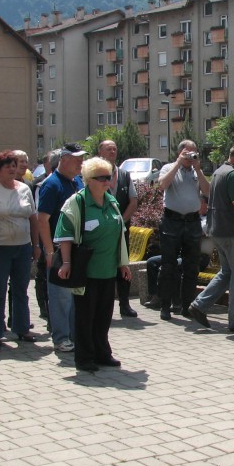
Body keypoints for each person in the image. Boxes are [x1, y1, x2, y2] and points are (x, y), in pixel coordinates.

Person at [54, 156, 131, 372]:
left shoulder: (111, 201)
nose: (107, 182)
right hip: (86, 271)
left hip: (108, 270)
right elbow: (65, 236)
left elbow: (120, 234)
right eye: (102, 178)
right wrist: (66, 262)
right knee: (85, 317)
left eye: (109, 178)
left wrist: (123, 264)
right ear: (88, 180)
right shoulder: (76, 202)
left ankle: (102, 353)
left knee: (104, 316)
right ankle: (85, 357)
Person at [187, 141, 234, 333]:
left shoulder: (220, 171)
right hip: (232, 232)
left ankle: (199, 305)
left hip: (218, 230)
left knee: (227, 273)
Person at [0, 150, 40, 346]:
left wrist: (35, 245)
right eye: (8, 166)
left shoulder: (24, 188)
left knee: (21, 289)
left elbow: (32, 217)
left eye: (14, 166)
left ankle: (22, 328)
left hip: (22, 247)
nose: (13, 169)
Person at [36, 143, 84, 353]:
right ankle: (61, 338)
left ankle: (74, 335)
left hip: (77, 247)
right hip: (57, 249)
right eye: (76, 160)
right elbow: (42, 220)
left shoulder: (78, 181)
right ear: (63, 160)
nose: (80, 164)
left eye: (82, 160)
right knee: (60, 296)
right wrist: (48, 250)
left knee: (75, 294)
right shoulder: (51, 184)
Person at [156, 140, 209, 321]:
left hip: (192, 223)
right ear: (179, 153)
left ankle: (187, 306)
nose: (190, 157)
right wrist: (178, 164)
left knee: (191, 267)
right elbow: (162, 185)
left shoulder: (196, 171)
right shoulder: (169, 167)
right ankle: (165, 305)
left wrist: (199, 169)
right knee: (168, 266)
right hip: (172, 221)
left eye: (194, 153)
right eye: (187, 153)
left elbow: (208, 192)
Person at [97, 139, 139, 318]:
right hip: (100, 231)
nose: (112, 151)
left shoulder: (123, 174)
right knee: (102, 267)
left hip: (121, 230)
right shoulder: (94, 174)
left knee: (123, 265)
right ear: (100, 152)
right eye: (108, 149)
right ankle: (102, 307)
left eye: (114, 148)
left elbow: (133, 201)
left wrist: (121, 221)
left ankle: (124, 304)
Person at [31, 148, 62, 326]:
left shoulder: (74, 182)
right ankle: (47, 312)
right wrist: (43, 246)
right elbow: (39, 217)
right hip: (48, 241)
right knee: (45, 276)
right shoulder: (42, 184)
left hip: (63, 242)